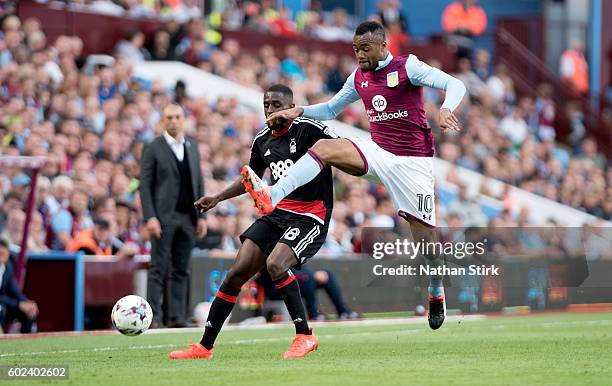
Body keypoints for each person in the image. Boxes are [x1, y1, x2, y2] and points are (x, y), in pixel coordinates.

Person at [243, 21, 466, 330]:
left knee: (426, 244)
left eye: (365, 49)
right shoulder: (359, 77)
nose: (359, 55)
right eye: (356, 49)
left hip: (413, 164)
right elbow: (332, 109)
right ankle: (273, 194)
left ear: (383, 46)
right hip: (379, 152)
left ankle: (436, 288)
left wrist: (446, 108)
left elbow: (456, 84)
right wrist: (299, 111)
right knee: (325, 147)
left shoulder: (408, 67)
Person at [169, 84, 336, 360]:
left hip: (310, 214)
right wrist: (219, 197)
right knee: (236, 273)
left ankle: (305, 335)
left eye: (276, 104)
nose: (270, 109)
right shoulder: (262, 140)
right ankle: (204, 346)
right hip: (277, 213)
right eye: (266, 104)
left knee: (275, 264)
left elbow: (341, 149)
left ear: (290, 106)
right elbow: (252, 179)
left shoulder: (309, 128)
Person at [139, 103, 207, 328]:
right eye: (169, 117)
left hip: (188, 216)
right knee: (158, 268)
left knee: (182, 268)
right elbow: (145, 186)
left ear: (184, 119)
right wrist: (150, 216)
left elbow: (198, 181)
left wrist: (202, 216)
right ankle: (153, 317)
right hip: (163, 217)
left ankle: (177, 316)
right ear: (162, 121)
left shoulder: (192, 146)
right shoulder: (153, 148)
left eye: (177, 117)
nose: (174, 121)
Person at [0, 238, 38, 333]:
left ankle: (26, 342)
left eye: (3, 253)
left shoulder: (8, 266)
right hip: (3, 305)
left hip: (5, 303)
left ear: (8, 254)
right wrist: (18, 304)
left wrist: (26, 302)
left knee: (29, 311)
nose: (1, 257)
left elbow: (14, 291)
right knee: (1, 310)